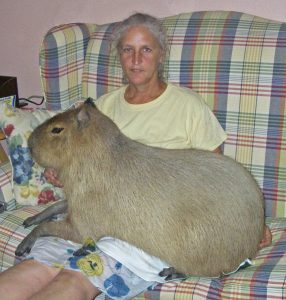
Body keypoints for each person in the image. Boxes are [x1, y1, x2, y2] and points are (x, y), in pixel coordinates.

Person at [0, 13, 272, 300]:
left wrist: (247, 224)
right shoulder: (101, 109)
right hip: (94, 218)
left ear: (161, 55)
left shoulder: (187, 106)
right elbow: (86, 171)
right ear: (119, 56)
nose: (136, 59)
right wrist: (58, 174)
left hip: (149, 231)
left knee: (75, 276)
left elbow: (217, 177)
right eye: (127, 50)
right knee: (35, 268)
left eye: (146, 49)